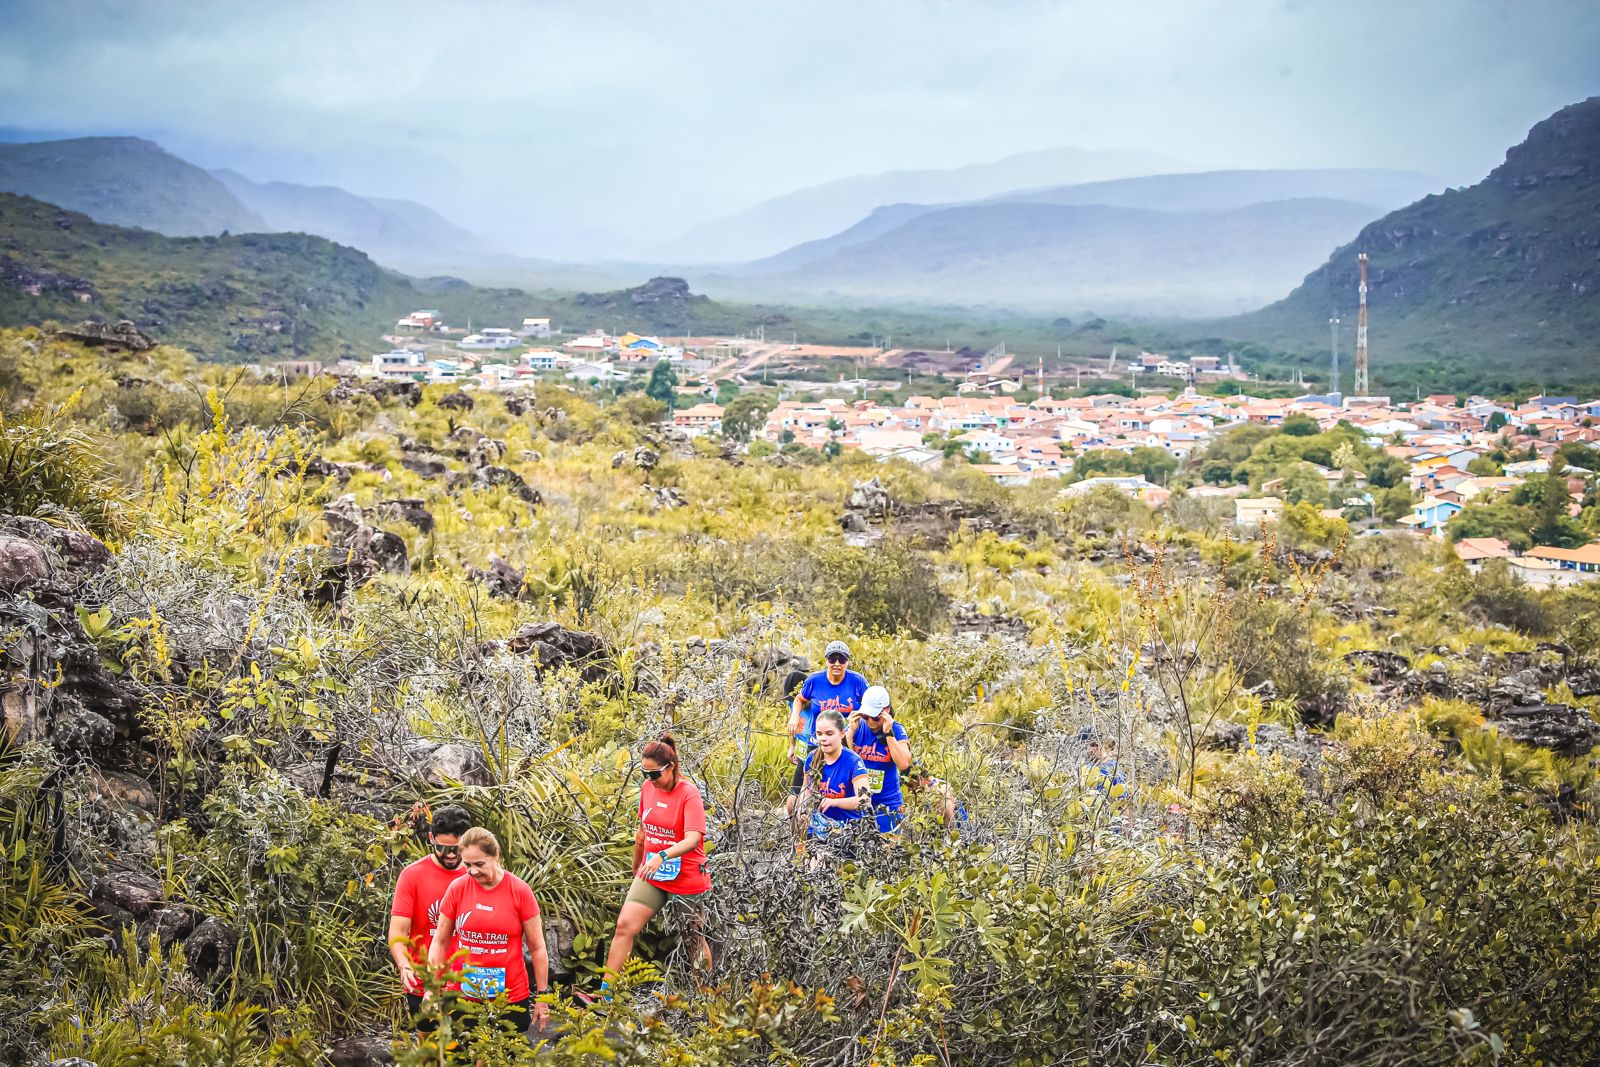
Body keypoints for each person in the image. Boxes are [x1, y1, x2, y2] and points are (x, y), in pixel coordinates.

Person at [603, 733, 713, 992]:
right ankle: (606, 996)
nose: (650, 780)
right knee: (624, 926)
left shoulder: (689, 793)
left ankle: (707, 998)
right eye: (645, 774)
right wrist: (637, 863)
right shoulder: (647, 789)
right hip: (652, 872)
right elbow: (642, 832)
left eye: (655, 774)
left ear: (671, 768)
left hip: (685, 875)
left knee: (693, 939)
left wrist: (663, 855)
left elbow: (693, 838)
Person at [428, 827, 551, 1039]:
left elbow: (538, 947)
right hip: (461, 994)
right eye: (467, 864)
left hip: (509, 997)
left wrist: (542, 997)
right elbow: (440, 941)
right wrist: (431, 988)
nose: (473, 871)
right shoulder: (457, 888)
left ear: (496, 856)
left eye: (479, 864)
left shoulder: (519, 891)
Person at [387, 803, 473, 1033]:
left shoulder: (478, 873)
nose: (451, 855)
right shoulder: (412, 875)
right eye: (443, 848)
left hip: (467, 982)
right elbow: (397, 932)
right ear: (431, 838)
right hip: (422, 981)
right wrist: (404, 966)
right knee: (429, 1048)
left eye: (457, 849)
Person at [786, 641, 869, 816]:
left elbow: (870, 706)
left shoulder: (857, 682)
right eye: (833, 659)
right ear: (826, 660)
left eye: (842, 659)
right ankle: (799, 837)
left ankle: (848, 831)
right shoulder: (815, 680)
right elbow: (800, 699)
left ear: (847, 661)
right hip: (817, 744)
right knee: (795, 799)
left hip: (845, 745)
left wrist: (859, 722)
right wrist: (794, 716)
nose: (837, 663)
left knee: (841, 793)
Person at [846, 685, 912, 834]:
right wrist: (850, 733)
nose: (869, 721)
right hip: (859, 798)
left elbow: (903, 763)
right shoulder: (857, 726)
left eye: (875, 717)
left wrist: (888, 734)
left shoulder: (897, 729)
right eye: (865, 716)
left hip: (887, 801)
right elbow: (846, 761)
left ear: (886, 711)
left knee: (888, 847)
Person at [799, 709, 872, 839]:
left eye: (829, 734)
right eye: (819, 734)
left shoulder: (853, 762)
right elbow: (805, 788)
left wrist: (834, 802)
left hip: (849, 830)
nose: (823, 739)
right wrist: (801, 807)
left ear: (842, 733)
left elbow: (865, 801)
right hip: (820, 826)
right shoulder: (812, 757)